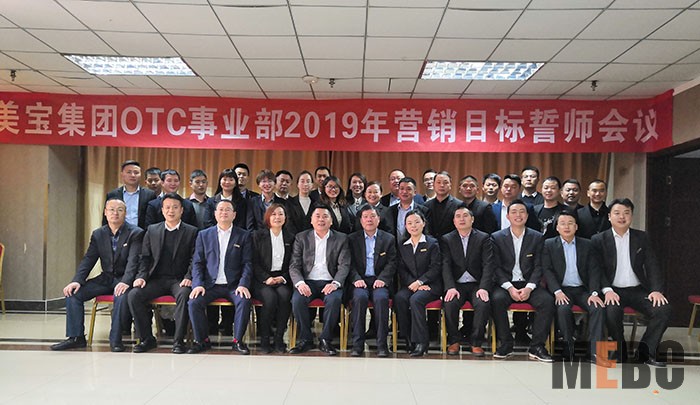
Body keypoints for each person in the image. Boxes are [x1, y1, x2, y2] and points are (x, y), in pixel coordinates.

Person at [51, 199, 143, 352]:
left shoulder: (136, 233)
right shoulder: (98, 234)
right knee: (73, 294)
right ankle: (76, 337)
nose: (115, 213)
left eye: (120, 210)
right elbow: (88, 260)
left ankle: (116, 339)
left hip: (124, 279)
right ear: (105, 212)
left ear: (125, 213)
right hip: (105, 278)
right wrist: (77, 280)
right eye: (111, 209)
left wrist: (126, 281)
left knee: (121, 296)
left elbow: (133, 261)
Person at [592, 198, 671, 367]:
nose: (622, 217)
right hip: (613, 290)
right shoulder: (599, 239)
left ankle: (645, 352)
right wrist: (607, 290)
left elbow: (652, 265)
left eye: (626, 213)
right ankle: (620, 350)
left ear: (631, 216)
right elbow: (597, 269)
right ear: (609, 217)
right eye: (617, 213)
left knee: (663, 310)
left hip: (637, 290)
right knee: (611, 312)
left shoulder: (641, 237)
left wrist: (656, 290)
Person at [128, 193, 198, 354]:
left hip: (179, 280)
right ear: (162, 210)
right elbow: (144, 257)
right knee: (134, 295)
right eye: (167, 207)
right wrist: (141, 277)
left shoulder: (192, 231)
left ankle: (179, 341)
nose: (171, 211)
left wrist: (189, 277)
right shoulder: (152, 230)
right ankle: (146, 338)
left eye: (175, 207)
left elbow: (195, 259)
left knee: (184, 295)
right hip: (156, 279)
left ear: (182, 210)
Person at [490, 200, 554, 362]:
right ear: (507, 216)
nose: (518, 215)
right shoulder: (497, 237)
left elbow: (539, 266)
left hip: (529, 283)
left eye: (522, 212)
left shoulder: (537, 237)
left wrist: (529, 288)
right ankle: (506, 343)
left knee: (547, 301)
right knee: (496, 300)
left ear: (527, 215)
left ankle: (537, 346)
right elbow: (495, 267)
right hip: (506, 284)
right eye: (514, 212)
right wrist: (510, 288)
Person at [187, 199, 253, 355]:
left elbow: (248, 263)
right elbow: (197, 263)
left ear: (234, 214)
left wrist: (243, 284)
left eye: (228, 209)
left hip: (234, 285)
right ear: (215, 214)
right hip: (210, 285)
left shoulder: (243, 235)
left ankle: (238, 341)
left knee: (244, 301)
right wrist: (198, 284)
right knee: (194, 302)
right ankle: (202, 340)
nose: (224, 212)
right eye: (221, 209)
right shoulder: (204, 235)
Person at [542, 211, 607, 365]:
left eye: (570, 223)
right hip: (562, 290)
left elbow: (594, 270)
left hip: (582, 290)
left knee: (597, 308)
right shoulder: (549, 244)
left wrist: (594, 293)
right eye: (562, 223)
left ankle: (594, 352)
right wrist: (557, 291)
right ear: (557, 227)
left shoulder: (587, 244)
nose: (567, 227)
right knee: (563, 308)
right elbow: (547, 271)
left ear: (576, 227)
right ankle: (568, 348)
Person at [289, 205, 351, 356]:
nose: (321, 219)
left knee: (334, 300)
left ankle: (326, 339)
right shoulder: (301, 237)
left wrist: (335, 283)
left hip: (330, 282)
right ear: (311, 220)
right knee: (297, 300)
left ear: (331, 221)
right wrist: (300, 283)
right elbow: (294, 265)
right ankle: (305, 339)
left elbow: (344, 265)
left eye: (325, 216)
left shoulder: (341, 238)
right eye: (317, 216)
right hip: (308, 282)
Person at [440, 207, 493, 356]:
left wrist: (484, 287)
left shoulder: (483, 238)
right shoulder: (447, 239)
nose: (461, 219)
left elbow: (488, 264)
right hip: (456, 284)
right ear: (454, 221)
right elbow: (445, 265)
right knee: (450, 303)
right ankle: (454, 341)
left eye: (465, 216)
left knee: (483, 303)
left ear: (472, 219)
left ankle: (476, 342)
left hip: (477, 284)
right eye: (458, 216)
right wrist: (450, 287)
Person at [347, 205, 397, 358]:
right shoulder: (352, 239)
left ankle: (382, 345)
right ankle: (357, 345)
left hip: (379, 280)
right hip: (360, 281)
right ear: (361, 220)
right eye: (366, 217)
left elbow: (392, 262)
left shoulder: (388, 239)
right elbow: (348, 263)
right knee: (359, 298)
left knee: (381, 299)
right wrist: (356, 279)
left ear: (378, 219)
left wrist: (383, 279)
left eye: (372, 216)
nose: (369, 219)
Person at [394, 210, 442, 357]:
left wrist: (421, 282)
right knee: (399, 298)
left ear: (423, 223)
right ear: (405, 226)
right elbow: (401, 269)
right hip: (410, 285)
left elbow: (436, 267)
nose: (413, 226)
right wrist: (413, 283)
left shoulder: (432, 243)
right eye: (409, 223)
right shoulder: (403, 245)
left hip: (431, 285)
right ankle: (408, 338)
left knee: (416, 300)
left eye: (416, 222)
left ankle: (421, 342)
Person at [252, 204, 294, 353]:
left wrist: (283, 278)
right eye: (274, 214)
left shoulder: (291, 237)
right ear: (268, 217)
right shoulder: (257, 236)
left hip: (282, 278)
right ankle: (264, 338)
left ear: (285, 217)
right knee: (269, 298)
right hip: (262, 279)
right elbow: (253, 262)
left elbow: (294, 263)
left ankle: (279, 338)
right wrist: (266, 278)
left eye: (281, 214)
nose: (277, 217)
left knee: (285, 296)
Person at [105, 160, 156, 229]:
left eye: (136, 173)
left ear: (140, 175)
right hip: (119, 233)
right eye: (129, 172)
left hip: (143, 233)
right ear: (122, 174)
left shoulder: (150, 195)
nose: (133, 175)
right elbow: (106, 218)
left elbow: (153, 218)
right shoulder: (113, 194)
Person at [381, 177, 430, 243]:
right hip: (394, 248)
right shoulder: (389, 211)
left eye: (408, 189)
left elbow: (427, 233)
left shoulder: (424, 211)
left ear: (415, 192)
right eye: (402, 189)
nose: (404, 192)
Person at [424, 171, 465, 238]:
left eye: (445, 183)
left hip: (451, 242)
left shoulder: (459, 205)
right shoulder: (426, 206)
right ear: (434, 185)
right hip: (431, 242)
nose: (442, 185)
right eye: (438, 182)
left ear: (450, 185)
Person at [286, 170, 314, 235]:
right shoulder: (289, 202)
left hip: (313, 238)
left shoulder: (316, 203)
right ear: (297, 184)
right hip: (295, 238)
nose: (305, 184)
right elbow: (289, 224)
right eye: (302, 181)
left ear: (312, 185)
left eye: (308, 181)